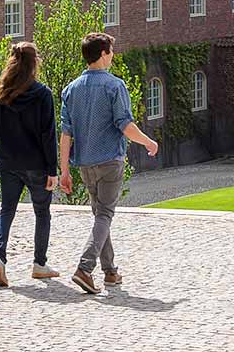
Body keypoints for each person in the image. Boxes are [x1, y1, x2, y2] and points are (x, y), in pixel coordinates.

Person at [59, 32, 159, 294]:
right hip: (109, 161)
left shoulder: (70, 90)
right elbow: (125, 125)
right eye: (111, 52)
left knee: (99, 217)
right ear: (103, 54)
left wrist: (65, 171)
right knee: (104, 215)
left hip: (84, 164)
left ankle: (111, 272)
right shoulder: (115, 86)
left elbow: (66, 134)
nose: (113, 56)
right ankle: (84, 268)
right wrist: (148, 142)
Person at [0, 42, 60, 287]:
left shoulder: (0, 93)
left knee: (6, 210)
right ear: (34, 63)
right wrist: (52, 169)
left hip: (9, 162)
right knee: (42, 212)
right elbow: (49, 135)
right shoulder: (42, 94)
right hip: (37, 163)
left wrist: (2, 146)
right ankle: (39, 264)